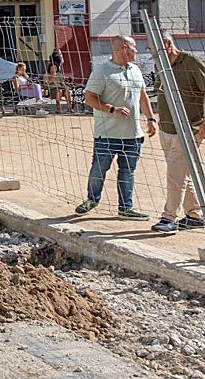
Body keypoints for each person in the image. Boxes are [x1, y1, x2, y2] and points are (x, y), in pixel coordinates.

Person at [76, 35, 157, 218]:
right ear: (124, 48)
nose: (137, 51)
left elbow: (142, 95)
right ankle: (92, 199)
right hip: (107, 134)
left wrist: (151, 119)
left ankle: (125, 208)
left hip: (133, 134)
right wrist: (112, 109)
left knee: (128, 172)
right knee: (99, 169)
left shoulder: (136, 70)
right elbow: (89, 98)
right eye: (134, 47)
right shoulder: (102, 71)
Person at [151, 33, 205, 234]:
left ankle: (169, 218)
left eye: (153, 49)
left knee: (175, 176)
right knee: (181, 174)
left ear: (167, 45)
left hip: (188, 129)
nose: (152, 53)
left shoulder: (191, 62)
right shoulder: (160, 64)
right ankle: (195, 215)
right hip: (166, 128)